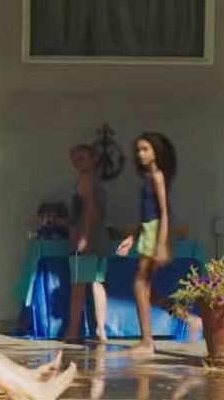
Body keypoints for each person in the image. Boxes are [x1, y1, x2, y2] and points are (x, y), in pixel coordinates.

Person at [115, 132, 176, 356]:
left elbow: (164, 213)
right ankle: (187, 317)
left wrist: (162, 243)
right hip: (147, 232)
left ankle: (147, 341)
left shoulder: (158, 177)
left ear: (155, 152)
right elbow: (145, 214)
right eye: (138, 150)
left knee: (140, 284)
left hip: (155, 233)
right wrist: (132, 237)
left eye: (146, 149)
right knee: (147, 288)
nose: (141, 154)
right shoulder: (147, 178)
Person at [64, 144, 109, 345]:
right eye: (74, 159)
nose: (77, 163)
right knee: (97, 283)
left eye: (81, 158)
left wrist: (84, 236)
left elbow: (91, 209)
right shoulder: (95, 181)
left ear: (92, 159)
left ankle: (73, 331)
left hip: (87, 238)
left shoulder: (85, 181)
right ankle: (101, 329)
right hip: (99, 239)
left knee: (78, 285)